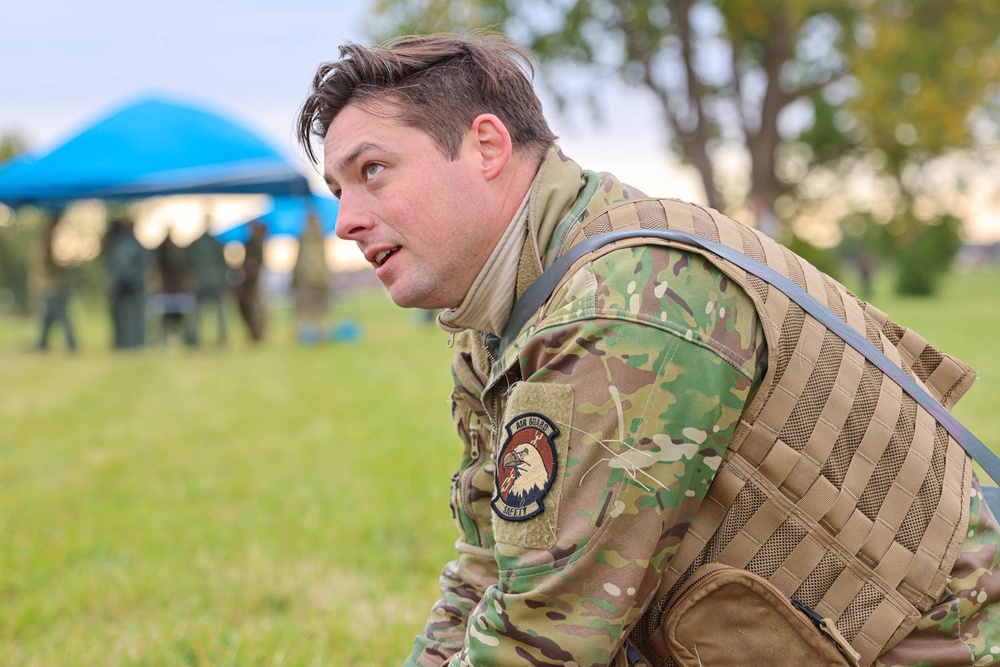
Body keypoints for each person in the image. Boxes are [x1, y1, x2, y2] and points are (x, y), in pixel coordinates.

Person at [296, 33, 1000, 667]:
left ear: (487, 146)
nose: (346, 221)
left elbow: (546, 639)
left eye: (373, 171)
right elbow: (493, 567)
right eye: (337, 189)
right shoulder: (512, 311)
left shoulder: (623, 308)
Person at [103, 217, 150, 349]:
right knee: (134, 316)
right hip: (131, 285)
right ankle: (135, 342)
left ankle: (124, 343)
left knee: (124, 316)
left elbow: (111, 265)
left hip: (124, 284)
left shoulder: (115, 243)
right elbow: (145, 264)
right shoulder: (133, 244)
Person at [34, 214, 77, 351]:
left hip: (48, 286)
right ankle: (70, 344)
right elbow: (46, 265)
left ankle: (42, 344)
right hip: (51, 286)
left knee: (48, 319)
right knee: (61, 317)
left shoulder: (44, 241)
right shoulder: (45, 243)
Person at [186, 225, 230, 346]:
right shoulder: (216, 243)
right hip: (212, 281)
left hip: (201, 281)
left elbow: (187, 262)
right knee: (217, 311)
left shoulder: (196, 244)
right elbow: (223, 264)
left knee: (198, 312)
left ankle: (194, 338)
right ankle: (222, 338)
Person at [291, 211, 330, 343]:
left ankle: (318, 336)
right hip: (306, 279)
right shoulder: (304, 238)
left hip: (318, 279)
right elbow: (299, 260)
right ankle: (304, 336)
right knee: (304, 309)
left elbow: (324, 260)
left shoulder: (320, 238)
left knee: (318, 310)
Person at [236, 219, 267, 342]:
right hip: (249, 282)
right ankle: (255, 333)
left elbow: (253, 264)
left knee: (255, 307)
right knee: (248, 307)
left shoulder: (256, 243)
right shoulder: (253, 242)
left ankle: (257, 333)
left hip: (254, 281)